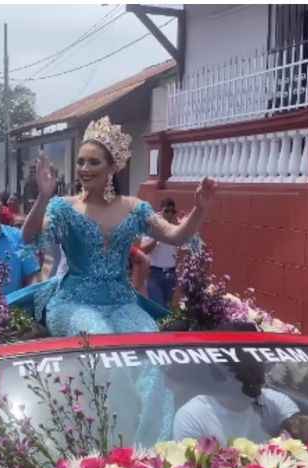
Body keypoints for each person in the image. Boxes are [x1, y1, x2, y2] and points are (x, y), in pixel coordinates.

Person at [18, 116, 216, 335]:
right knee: (98, 338)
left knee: (148, 346)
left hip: (123, 305)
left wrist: (201, 209)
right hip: (73, 304)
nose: (85, 168)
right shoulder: (65, 207)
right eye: (80, 162)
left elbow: (176, 236)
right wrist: (43, 197)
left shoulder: (135, 208)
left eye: (94, 162)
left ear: (112, 167)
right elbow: (29, 237)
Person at [173, 348, 303, 445]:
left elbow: (300, 435)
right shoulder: (193, 416)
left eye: (258, 364)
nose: (256, 374)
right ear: (224, 374)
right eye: (246, 369)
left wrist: (301, 427)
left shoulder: (277, 403)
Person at [140, 198, 180, 307]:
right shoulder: (152, 229)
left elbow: (185, 249)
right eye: (167, 211)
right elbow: (144, 249)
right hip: (155, 274)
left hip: (171, 274)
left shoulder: (176, 230)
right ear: (160, 211)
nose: (169, 214)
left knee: (168, 308)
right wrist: (157, 237)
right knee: (159, 307)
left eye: (172, 211)